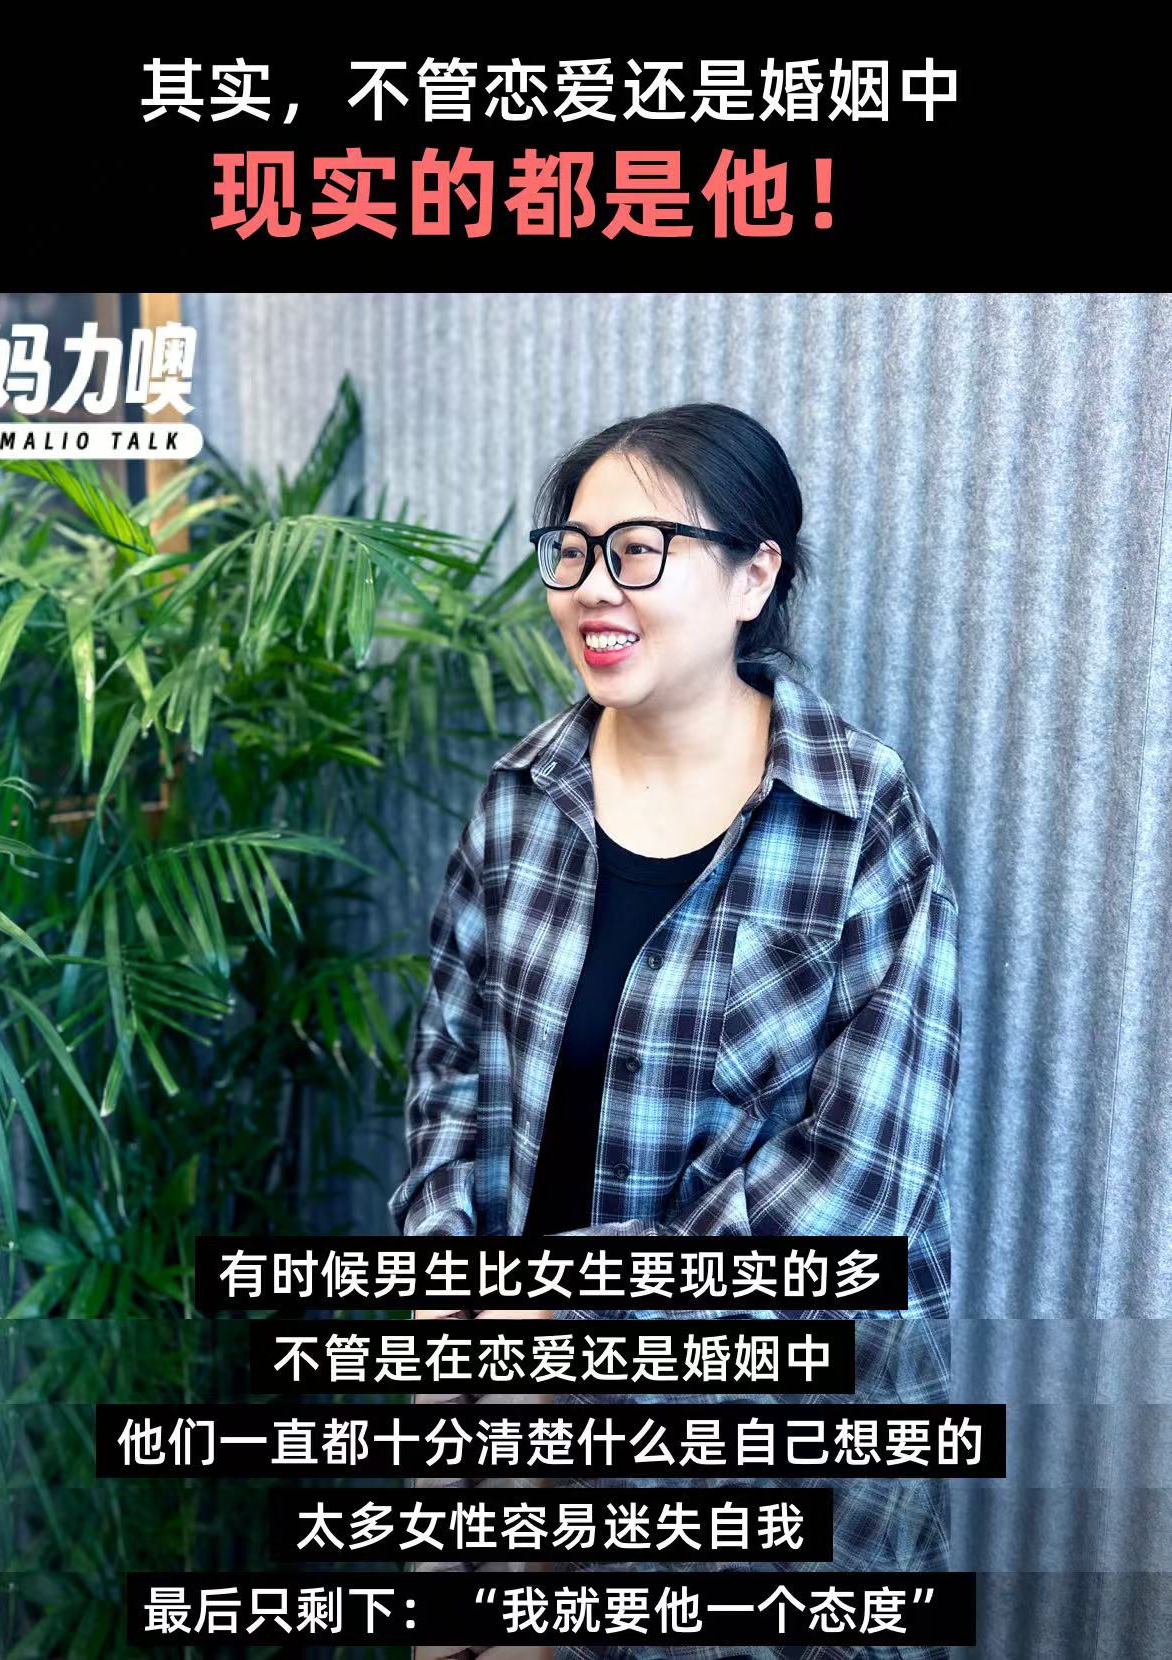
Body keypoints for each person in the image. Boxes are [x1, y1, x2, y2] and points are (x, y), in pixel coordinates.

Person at [390, 402, 963, 1660]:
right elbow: (448, 1078)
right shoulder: (520, 797)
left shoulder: (857, 818)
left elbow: (854, 1192)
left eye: (639, 550)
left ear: (756, 576)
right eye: (571, 551)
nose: (592, 587)